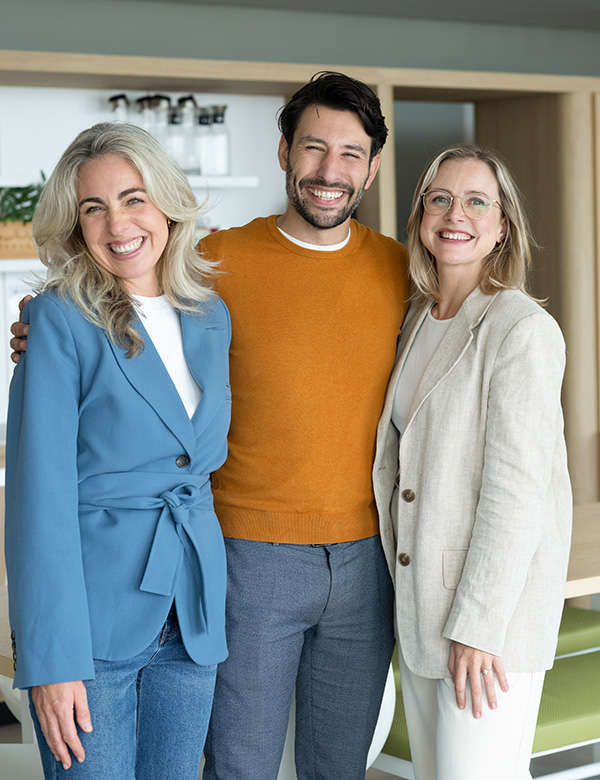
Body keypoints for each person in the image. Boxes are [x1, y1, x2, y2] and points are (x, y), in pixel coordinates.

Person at [10, 72, 409, 780]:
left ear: (372, 167)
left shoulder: (223, 302)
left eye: (350, 154)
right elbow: (37, 496)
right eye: (313, 147)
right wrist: (41, 334)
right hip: (180, 584)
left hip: (253, 591)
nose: (329, 170)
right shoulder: (196, 274)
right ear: (284, 151)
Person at [5, 122, 232, 780]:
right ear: (75, 226)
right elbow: (37, 500)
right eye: (93, 208)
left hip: (190, 617)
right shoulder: (58, 321)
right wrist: (51, 661)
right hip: (91, 631)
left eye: (133, 198)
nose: (117, 224)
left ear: (166, 203)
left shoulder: (209, 315)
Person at [373, 145, 572, 780]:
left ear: (502, 224)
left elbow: (516, 494)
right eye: (440, 198)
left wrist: (480, 627)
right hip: (422, 609)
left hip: (487, 627)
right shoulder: (413, 319)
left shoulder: (520, 329)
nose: (455, 214)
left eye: (476, 201)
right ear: (421, 216)